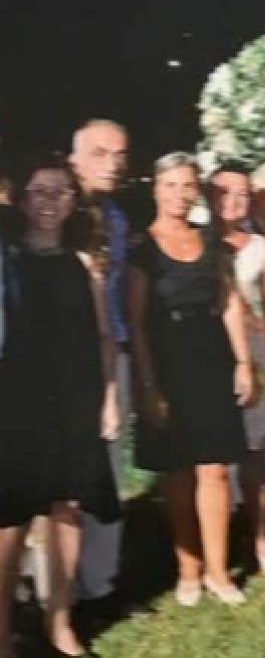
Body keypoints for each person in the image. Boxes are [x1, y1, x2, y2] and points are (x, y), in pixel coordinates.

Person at [0, 155, 121, 657]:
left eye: (60, 192)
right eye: (39, 191)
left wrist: (108, 400)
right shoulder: (6, 264)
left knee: (68, 506)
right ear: (22, 200)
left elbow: (103, 338)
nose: (50, 202)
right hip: (16, 402)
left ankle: (60, 621)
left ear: (74, 202)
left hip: (74, 400)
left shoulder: (84, 266)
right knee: (10, 516)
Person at [128, 152, 254, 606]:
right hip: (167, 363)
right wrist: (148, 387)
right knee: (179, 473)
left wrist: (243, 362)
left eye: (187, 186)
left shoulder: (211, 242)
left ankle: (219, 572)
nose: (180, 194)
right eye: (171, 185)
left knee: (215, 469)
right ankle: (188, 567)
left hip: (212, 360)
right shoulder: (143, 249)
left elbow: (229, 304)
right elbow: (136, 323)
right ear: (155, 189)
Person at [210, 165, 265, 574]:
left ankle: (258, 536)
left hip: (257, 354)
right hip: (209, 353)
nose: (234, 201)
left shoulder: (260, 246)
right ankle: (216, 543)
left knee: (254, 450)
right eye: (225, 193)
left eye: (243, 194)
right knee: (212, 457)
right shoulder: (195, 243)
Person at [67, 119, 130, 609]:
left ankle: (100, 580)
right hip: (59, 360)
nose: (114, 164)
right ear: (74, 159)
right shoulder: (48, 210)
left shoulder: (116, 218)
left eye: (120, 155)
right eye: (100, 153)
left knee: (108, 469)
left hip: (113, 355)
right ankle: (49, 584)